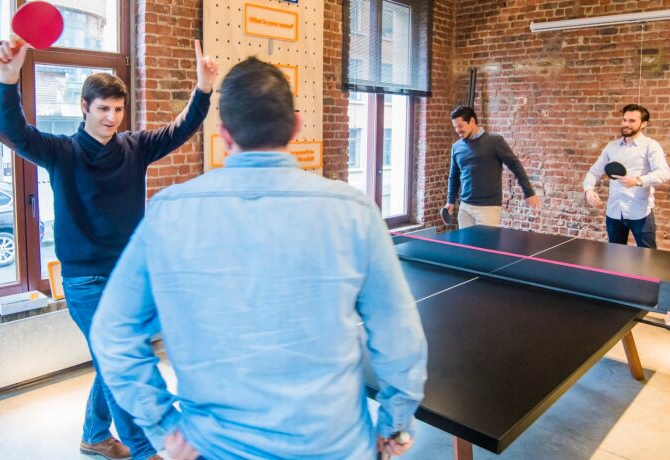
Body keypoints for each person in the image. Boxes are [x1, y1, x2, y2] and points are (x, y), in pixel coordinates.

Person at [90, 57, 428, 460]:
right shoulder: (354, 210)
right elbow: (399, 337)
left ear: (224, 136)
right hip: (337, 448)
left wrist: (165, 427)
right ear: (296, 127)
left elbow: (112, 334)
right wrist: (395, 425)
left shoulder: (169, 212)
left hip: (212, 449)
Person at [0, 39, 218, 460]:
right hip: (85, 280)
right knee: (118, 362)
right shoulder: (61, 152)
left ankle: (94, 434)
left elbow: (181, 128)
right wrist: (8, 79)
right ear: (84, 107)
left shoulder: (135, 148)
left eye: (117, 109)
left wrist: (202, 90)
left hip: (129, 274)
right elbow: (11, 130)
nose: (111, 118)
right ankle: (143, 448)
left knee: (113, 358)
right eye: (103, 109)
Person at [583, 104, 670, 249]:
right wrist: (588, 190)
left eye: (632, 121)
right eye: (624, 120)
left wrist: (638, 180)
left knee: (648, 258)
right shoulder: (612, 146)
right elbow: (594, 171)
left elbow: (664, 173)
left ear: (643, 124)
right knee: (615, 258)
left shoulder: (651, 146)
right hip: (614, 212)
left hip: (640, 213)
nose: (626, 124)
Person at [444, 106, 540, 228]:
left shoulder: (495, 141)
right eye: (455, 127)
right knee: (465, 247)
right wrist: (450, 201)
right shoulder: (456, 147)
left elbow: (515, 166)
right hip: (465, 208)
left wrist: (529, 192)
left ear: (472, 121)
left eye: (460, 126)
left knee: (485, 246)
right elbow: (454, 176)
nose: (457, 130)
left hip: (488, 208)